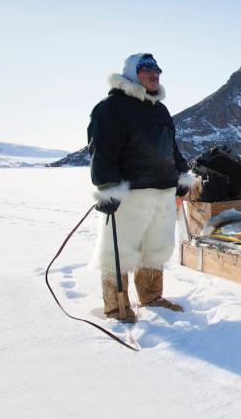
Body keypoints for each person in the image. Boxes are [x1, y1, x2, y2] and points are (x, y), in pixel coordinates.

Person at [87, 52, 196, 322]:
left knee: (155, 248)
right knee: (119, 252)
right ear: (131, 74)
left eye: (157, 70)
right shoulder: (110, 108)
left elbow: (171, 148)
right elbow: (101, 151)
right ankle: (117, 307)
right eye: (147, 69)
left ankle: (151, 297)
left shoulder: (159, 110)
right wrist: (107, 187)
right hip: (130, 195)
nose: (154, 74)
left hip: (162, 191)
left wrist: (181, 175)